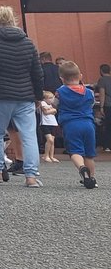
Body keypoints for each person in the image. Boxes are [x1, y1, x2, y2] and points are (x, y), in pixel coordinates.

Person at [0, 6, 43, 188]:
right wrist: (38, 96)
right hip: (25, 95)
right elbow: (37, 73)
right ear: (14, 22)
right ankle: (30, 176)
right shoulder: (28, 43)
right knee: (28, 135)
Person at [56, 60, 98, 188]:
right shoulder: (89, 92)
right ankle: (92, 179)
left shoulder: (60, 92)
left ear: (61, 79)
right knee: (89, 154)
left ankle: (82, 168)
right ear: (80, 76)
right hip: (88, 124)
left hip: (71, 124)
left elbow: (55, 104)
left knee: (75, 151)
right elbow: (92, 104)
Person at [40, 90, 60, 163]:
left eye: (52, 98)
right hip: (45, 124)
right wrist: (52, 110)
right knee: (49, 140)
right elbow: (45, 112)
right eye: (50, 98)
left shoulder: (51, 105)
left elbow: (54, 111)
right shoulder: (43, 103)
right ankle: (46, 155)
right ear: (45, 99)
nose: (52, 99)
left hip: (53, 123)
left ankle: (51, 156)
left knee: (52, 141)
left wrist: (52, 110)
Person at [96, 64, 111, 152]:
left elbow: (102, 93)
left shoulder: (102, 80)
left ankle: (107, 145)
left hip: (108, 105)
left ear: (101, 71)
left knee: (107, 125)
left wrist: (101, 107)